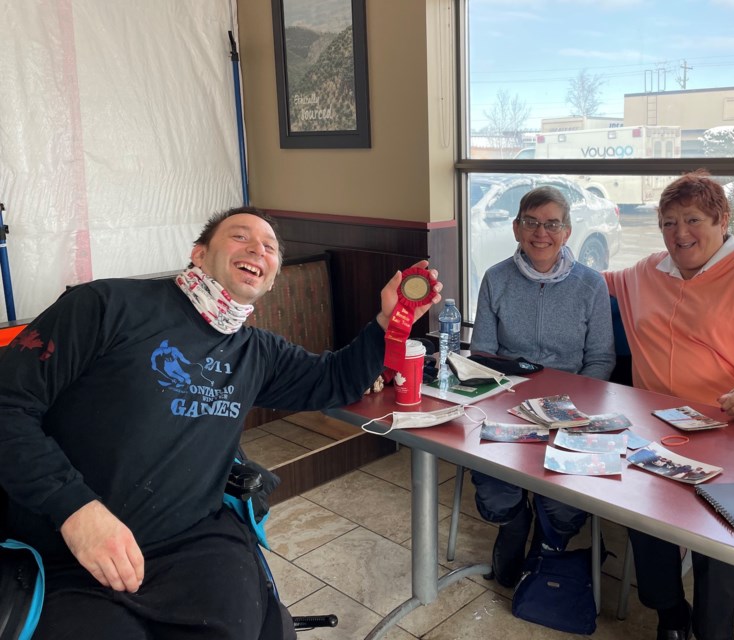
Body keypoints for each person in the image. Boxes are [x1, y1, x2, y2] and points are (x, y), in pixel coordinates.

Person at [0, 206, 442, 640]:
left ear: (270, 279)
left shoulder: (258, 354)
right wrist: (76, 511)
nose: (258, 249)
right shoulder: (108, 305)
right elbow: (7, 406)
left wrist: (389, 320)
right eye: (240, 236)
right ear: (198, 253)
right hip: (65, 549)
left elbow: (335, 379)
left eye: (270, 248)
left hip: (193, 543)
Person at [604, 170, 734, 640]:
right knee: (641, 510)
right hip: (661, 428)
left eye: (693, 219)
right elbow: (592, 283)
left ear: (723, 220)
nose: (680, 233)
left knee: (723, 532)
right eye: (668, 222)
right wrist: (546, 249)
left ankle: (714, 632)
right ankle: (670, 616)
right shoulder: (646, 272)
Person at [470, 185, 615, 587]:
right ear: (516, 228)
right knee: (497, 492)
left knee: (565, 505)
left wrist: (572, 407)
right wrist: (505, 395)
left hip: (572, 411)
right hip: (508, 407)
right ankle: (515, 524)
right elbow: (482, 352)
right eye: (531, 223)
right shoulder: (495, 279)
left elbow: (601, 358)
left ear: (567, 232)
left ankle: (549, 540)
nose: (541, 233)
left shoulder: (590, 285)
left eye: (552, 224)